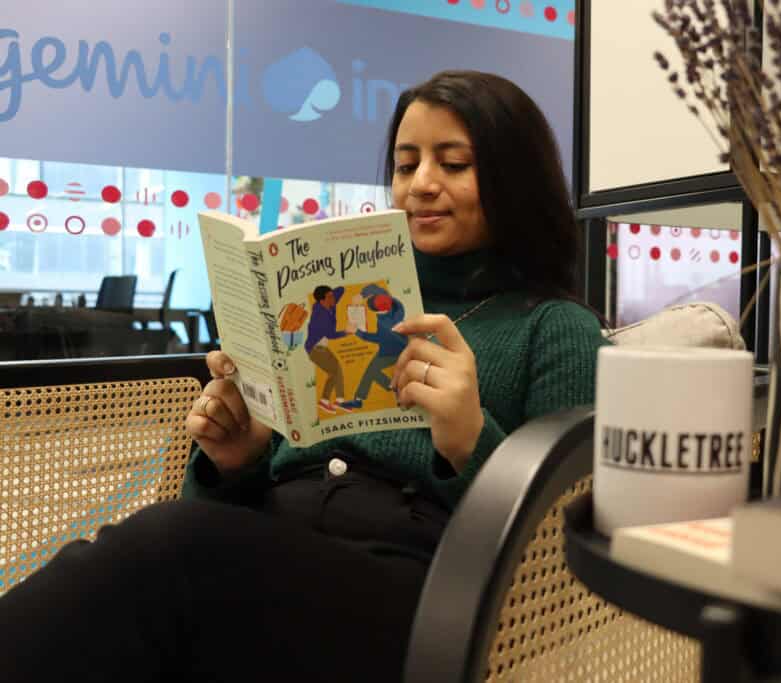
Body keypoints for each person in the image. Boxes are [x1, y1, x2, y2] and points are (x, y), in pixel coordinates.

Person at [0, 70, 608, 682]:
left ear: (515, 180)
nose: (421, 184)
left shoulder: (555, 327)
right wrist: (236, 460)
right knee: (141, 602)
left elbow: (562, 561)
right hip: (270, 549)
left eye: (453, 164)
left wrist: (472, 439)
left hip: (421, 592)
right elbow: (217, 506)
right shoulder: (354, 301)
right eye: (405, 164)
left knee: (167, 552)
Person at [340, 284, 408, 411]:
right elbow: (377, 289)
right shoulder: (397, 307)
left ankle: (394, 387)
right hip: (399, 347)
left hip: (391, 353)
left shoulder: (384, 324)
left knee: (371, 372)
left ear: (378, 311)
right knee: (370, 372)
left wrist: (357, 332)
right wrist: (362, 294)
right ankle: (358, 400)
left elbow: (374, 338)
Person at [305, 284, 350, 413]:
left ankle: (324, 401)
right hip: (315, 349)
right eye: (330, 297)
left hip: (321, 348)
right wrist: (345, 332)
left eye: (332, 295)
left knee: (333, 373)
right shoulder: (320, 316)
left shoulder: (329, 304)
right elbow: (330, 334)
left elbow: (341, 289)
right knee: (337, 369)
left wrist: (332, 293)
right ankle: (340, 401)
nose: (333, 298)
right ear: (322, 301)